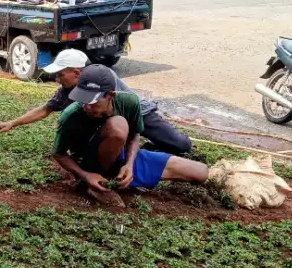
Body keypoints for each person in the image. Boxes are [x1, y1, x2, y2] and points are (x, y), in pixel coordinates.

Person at [0, 49, 192, 155]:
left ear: (77, 73)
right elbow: (45, 109)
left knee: (181, 145)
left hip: (140, 115)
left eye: (60, 74)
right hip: (114, 125)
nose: (57, 79)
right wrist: (12, 123)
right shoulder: (66, 90)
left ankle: (148, 146)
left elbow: (117, 111)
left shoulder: (102, 77)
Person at [53, 65, 209, 200]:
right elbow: (59, 154)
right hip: (90, 163)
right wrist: (86, 175)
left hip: (121, 156)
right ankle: (97, 183)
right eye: (82, 99)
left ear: (110, 95)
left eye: (93, 102)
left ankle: (120, 176)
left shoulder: (130, 103)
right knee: (118, 124)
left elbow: (134, 134)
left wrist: (129, 165)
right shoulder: (70, 115)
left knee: (201, 172)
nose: (86, 107)